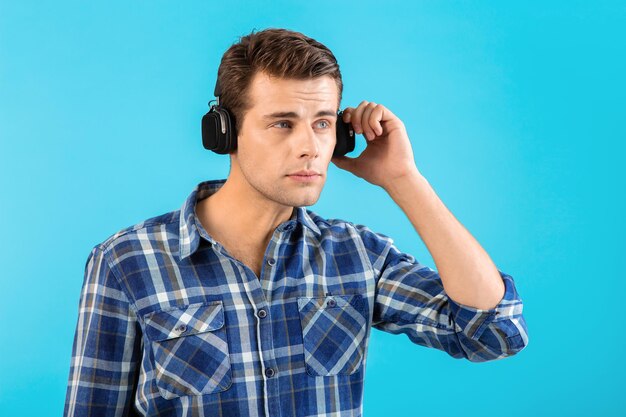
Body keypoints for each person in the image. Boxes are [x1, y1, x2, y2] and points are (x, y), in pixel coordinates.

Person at [64, 27, 528, 417]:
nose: (310, 146)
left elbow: (492, 331)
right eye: (283, 123)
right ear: (223, 131)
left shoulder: (357, 256)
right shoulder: (125, 262)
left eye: (323, 123)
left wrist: (404, 180)